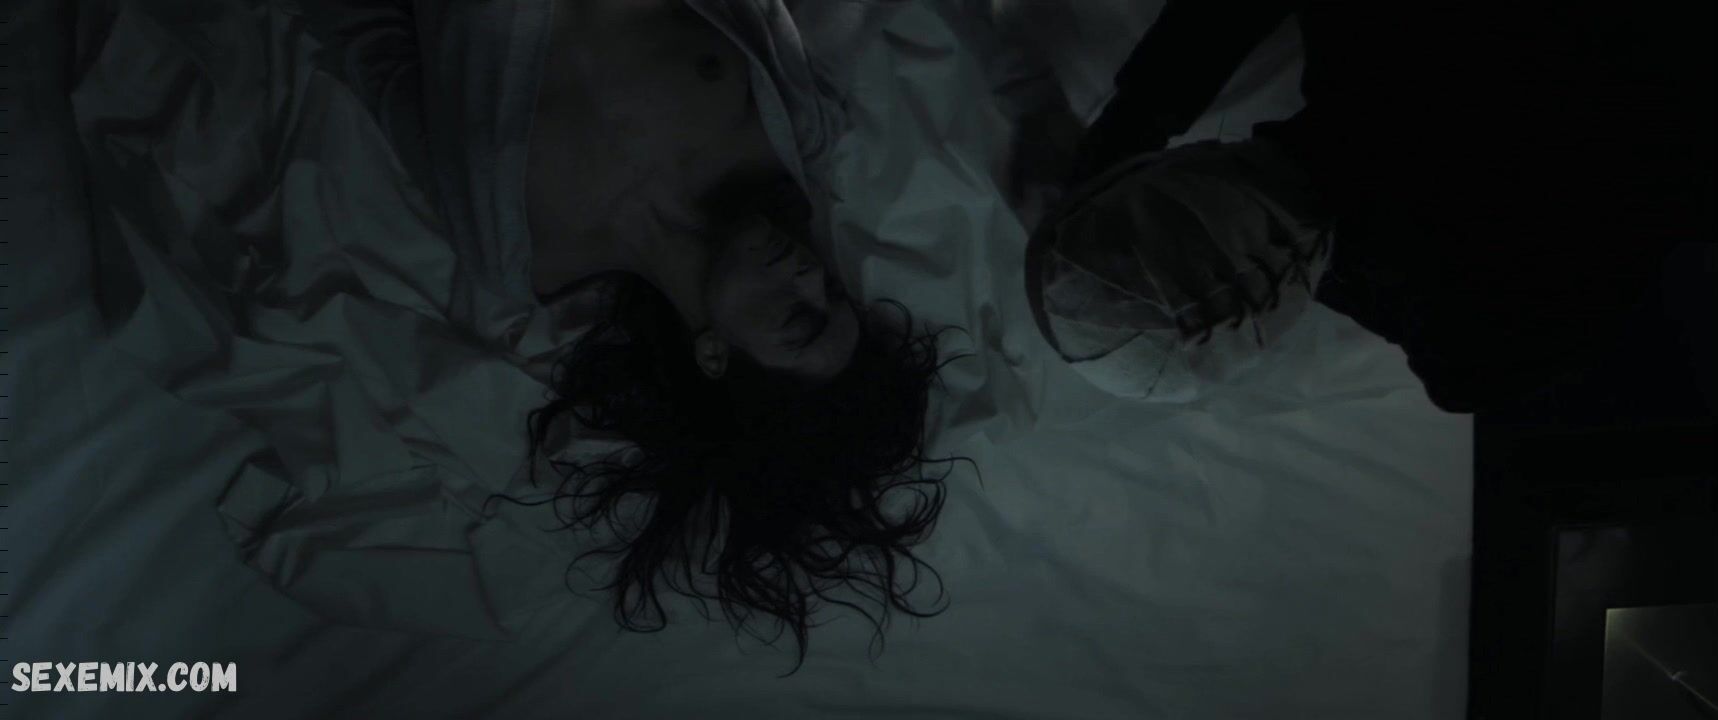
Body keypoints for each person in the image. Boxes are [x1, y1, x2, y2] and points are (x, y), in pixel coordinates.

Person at [298, 0, 958, 672]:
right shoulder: (790, 129)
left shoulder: (519, 249)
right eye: (832, 292)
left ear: (713, 354)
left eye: (798, 318)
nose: (810, 275)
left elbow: (370, 43)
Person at [1032, 0, 1711, 412]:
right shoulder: (1464, 329)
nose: (1241, 266)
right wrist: (1140, 111)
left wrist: (1143, 108)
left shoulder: (1462, 335)